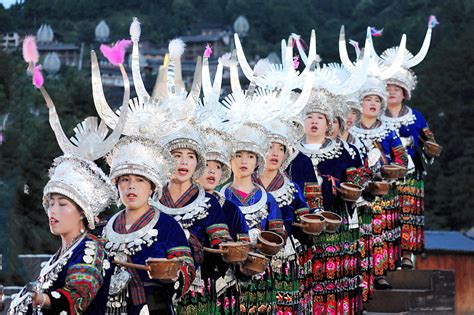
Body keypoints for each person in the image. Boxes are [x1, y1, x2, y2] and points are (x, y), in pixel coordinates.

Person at [286, 89, 362, 314]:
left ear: (328, 122)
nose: (314, 122)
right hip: (302, 225)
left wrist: (349, 189)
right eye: (309, 117)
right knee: (307, 276)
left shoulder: (341, 151)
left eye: (319, 117)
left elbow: (355, 177)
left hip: (335, 220)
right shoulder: (291, 152)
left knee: (334, 275)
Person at [103, 137, 195, 314]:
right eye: (125, 180)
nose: (131, 186)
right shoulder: (105, 228)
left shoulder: (168, 226)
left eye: (140, 180)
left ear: (152, 187)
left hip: (154, 308)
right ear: (117, 185)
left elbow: (187, 269)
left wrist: (173, 273)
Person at [154, 124, 233, 314]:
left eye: (190, 156)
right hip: (153, 286)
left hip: (197, 288)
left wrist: (230, 248)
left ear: (197, 162)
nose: (184, 162)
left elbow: (221, 240)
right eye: (177, 155)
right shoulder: (151, 200)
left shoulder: (208, 203)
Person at [380, 31, 440, 269]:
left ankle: (406, 256)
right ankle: (383, 260)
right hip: (384, 175)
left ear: (405, 92)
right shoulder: (377, 119)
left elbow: (429, 141)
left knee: (409, 217)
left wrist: (430, 148)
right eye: (388, 87)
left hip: (411, 175)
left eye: (397, 88)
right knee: (384, 219)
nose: (392, 91)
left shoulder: (416, 117)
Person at [349, 77, 409, 290]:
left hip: (383, 191)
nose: (373, 103)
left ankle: (380, 274)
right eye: (368, 99)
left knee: (379, 234)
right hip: (358, 192)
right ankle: (360, 279)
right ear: (360, 104)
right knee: (361, 235)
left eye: (377, 99)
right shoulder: (351, 133)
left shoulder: (388, 132)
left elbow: (403, 159)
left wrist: (386, 168)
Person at [220, 122, 285, 314]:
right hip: (227, 274)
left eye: (250, 156)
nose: (243, 161)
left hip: (260, 270)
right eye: (238, 155)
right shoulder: (220, 199)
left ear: (257, 161)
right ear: (229, 160)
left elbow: (278, 233)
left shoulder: (267, 199)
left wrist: (264, 248)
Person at [254, 118, 310, 314]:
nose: (275, 153)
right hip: (252, 256)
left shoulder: (291, 188)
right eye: (270, 147)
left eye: (281, 148)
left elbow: (305, 216)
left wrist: (308, 223)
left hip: (284, 257)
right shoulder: (245, 186)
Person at [196, 127, 249, 315]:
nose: (212, 171)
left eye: (218, 166)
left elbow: (244, 250)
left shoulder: (231, 209)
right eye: (207, 165)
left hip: (221, 287)